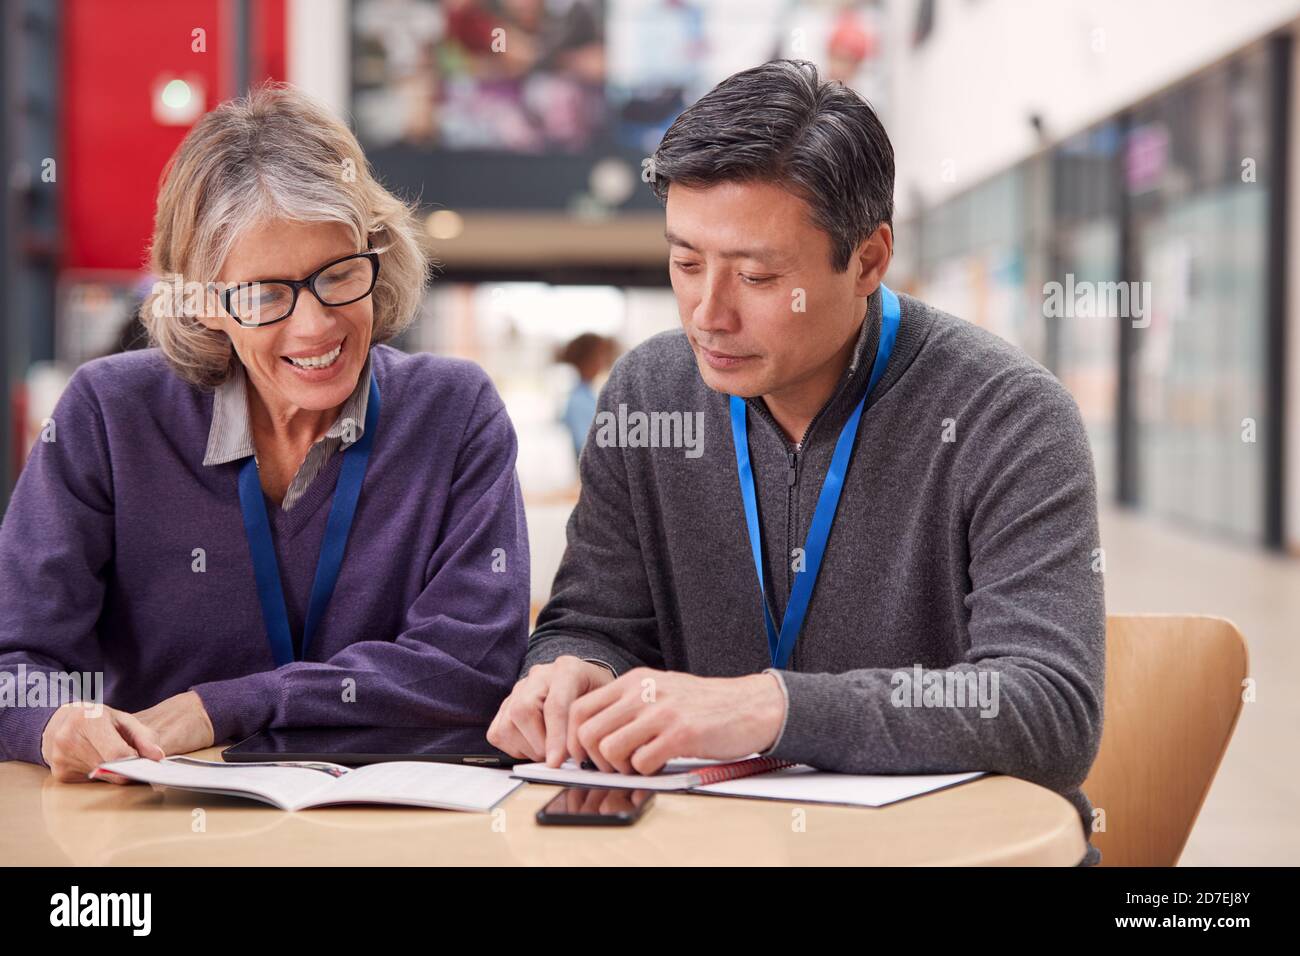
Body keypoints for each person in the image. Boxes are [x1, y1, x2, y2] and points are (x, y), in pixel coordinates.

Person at [488, 59, 1106, 864]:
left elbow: (1047, 709)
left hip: (945, 852)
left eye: (756, 275)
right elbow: (596, 622)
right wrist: (569, 671)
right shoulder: (648, 394)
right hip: (714, 846)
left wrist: (773, 708)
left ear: (869, 260)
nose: (709, 313)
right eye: (684, 263)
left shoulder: (1008, 415)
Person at [0, 84, 530, 782]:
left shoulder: (453, 411)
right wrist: (55, 725)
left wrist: (224, 707)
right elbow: (17, 662)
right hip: (158, 831)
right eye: (264, 295)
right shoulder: (109, 415)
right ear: (206, 303)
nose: (314, 327)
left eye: (338, 275)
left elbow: (475, 665)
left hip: (398, 830)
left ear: (377, 256)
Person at [556, 333, 616, 458]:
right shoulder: (578, 400)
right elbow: (586, 447)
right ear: (587, 359)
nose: (603, 360)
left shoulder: (589, 394)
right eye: (600, 354)